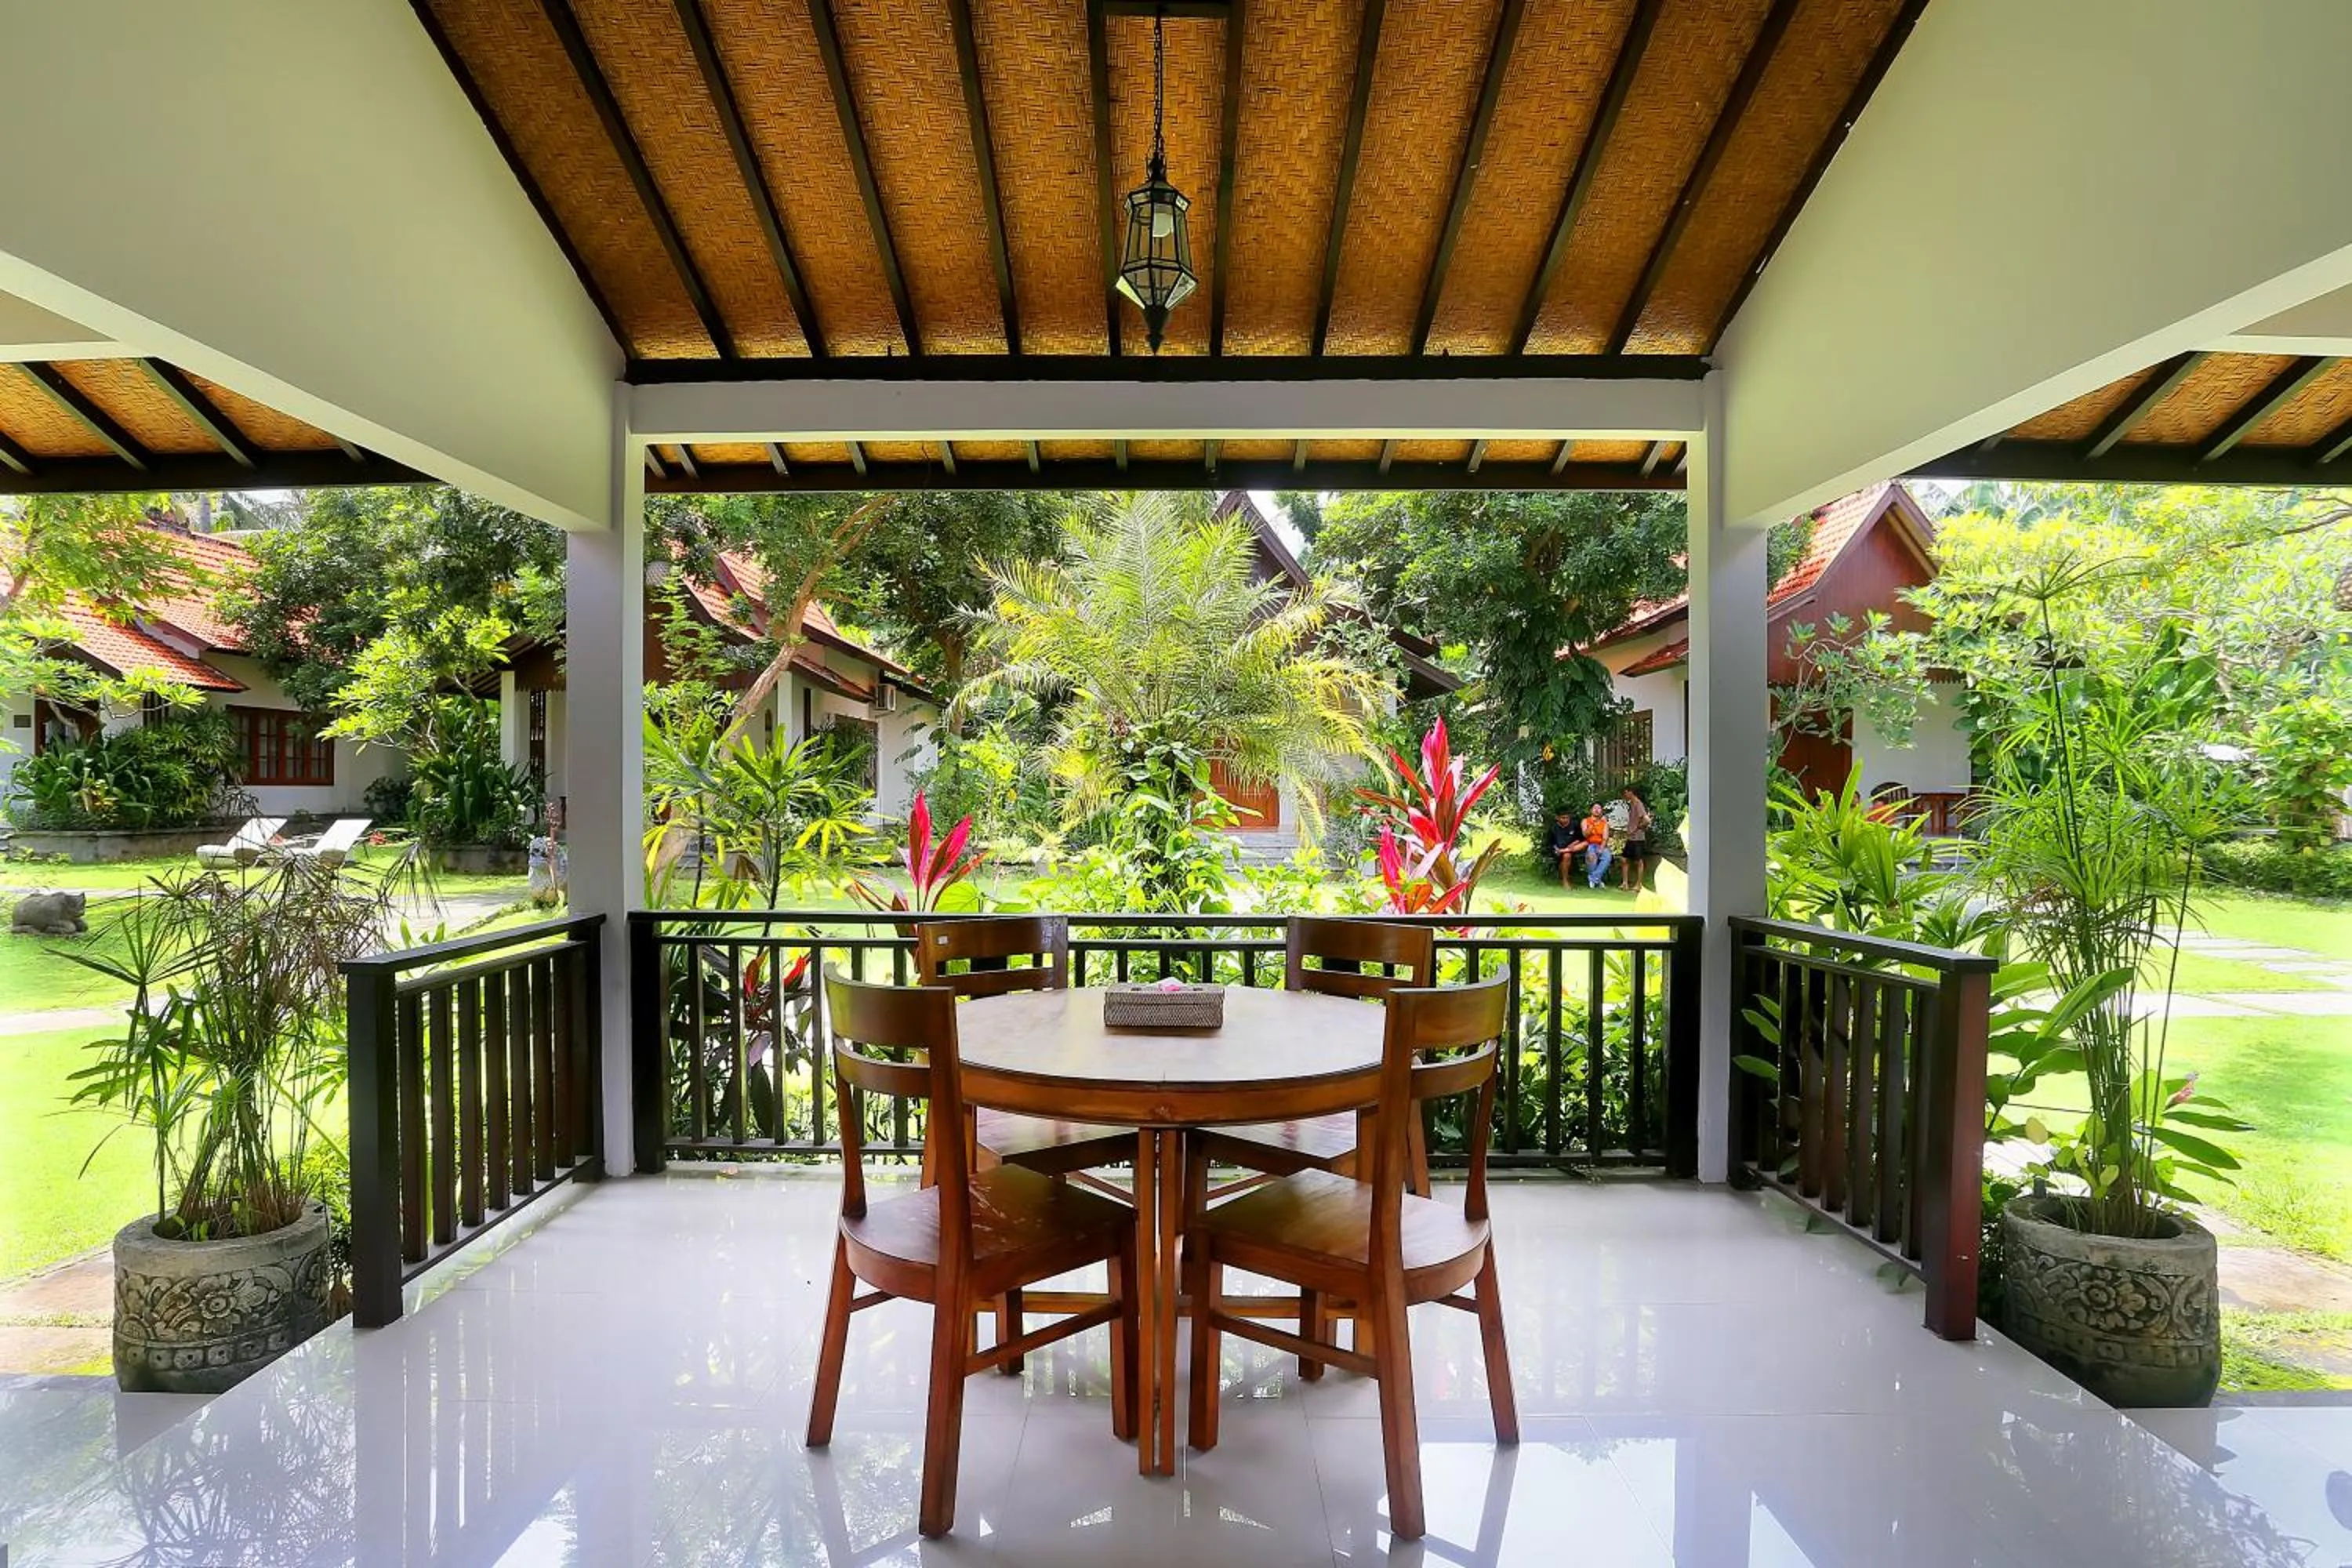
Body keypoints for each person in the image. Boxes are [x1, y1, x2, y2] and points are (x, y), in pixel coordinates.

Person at [1618, 786, 1654, 893]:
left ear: (1631, 792)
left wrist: (1638, 828)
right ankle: (1625, 883)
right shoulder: (1632, 804)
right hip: (1631, 838)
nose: (1625, 795)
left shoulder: (1638, 804)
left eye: (1625, 793)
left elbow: (1647, 820)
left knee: (1638, 861)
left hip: (1638, 838)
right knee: (1624, 859)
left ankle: (1639, 885)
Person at [1545, 807, 1586, 888]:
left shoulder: (1575, 825)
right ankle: (1565, 880)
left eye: (1567, 818)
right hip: (1558, 850)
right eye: (1563, 818)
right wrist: (1555, 849)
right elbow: (1550, 843)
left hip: (1574, 849)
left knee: (1583, 845)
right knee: (1567, 855)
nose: (1565, 820)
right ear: (1557, 818)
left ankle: (1564, 853)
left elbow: (1581, 838)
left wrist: (1574, 843)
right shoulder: (1553, 828)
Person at [1580, 802, 1613, 889]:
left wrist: (1602, 848)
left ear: (1601, 811)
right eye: (1595, 808)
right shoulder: (1585, 821)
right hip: (1589, 844)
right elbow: (1585, 835)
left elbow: (1605, 838)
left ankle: (1593, 879)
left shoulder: (1604, 823)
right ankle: (1597, 880)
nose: (1597, 810)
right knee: (1591, 855)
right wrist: (1591, 826)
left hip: (1601, 844)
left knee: (1607, 856)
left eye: (1599, 808)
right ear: (1591, 810)